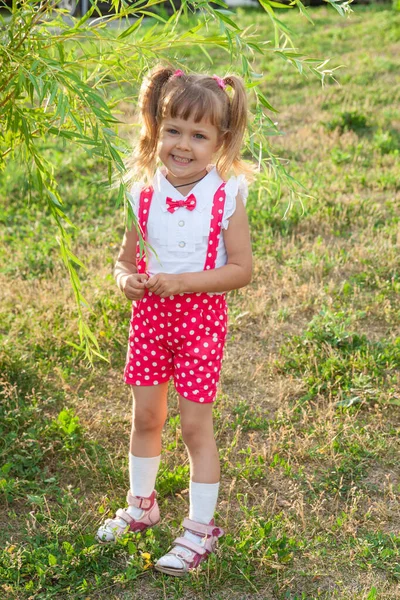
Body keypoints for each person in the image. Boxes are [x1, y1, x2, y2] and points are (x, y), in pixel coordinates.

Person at [96, 65, 253, 576]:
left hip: (200, 323)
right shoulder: (142, 190)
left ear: (221, 141)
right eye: (173, 131)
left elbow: (241, 270)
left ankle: (200, 529)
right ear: (156, 129)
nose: (183, 145)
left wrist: (183, 284)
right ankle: (142, 504)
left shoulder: (224, 196)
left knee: (193, 426)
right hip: (149, 321)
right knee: (146, 418)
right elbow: (125, 259)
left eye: (199, 135)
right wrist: (126, 281)